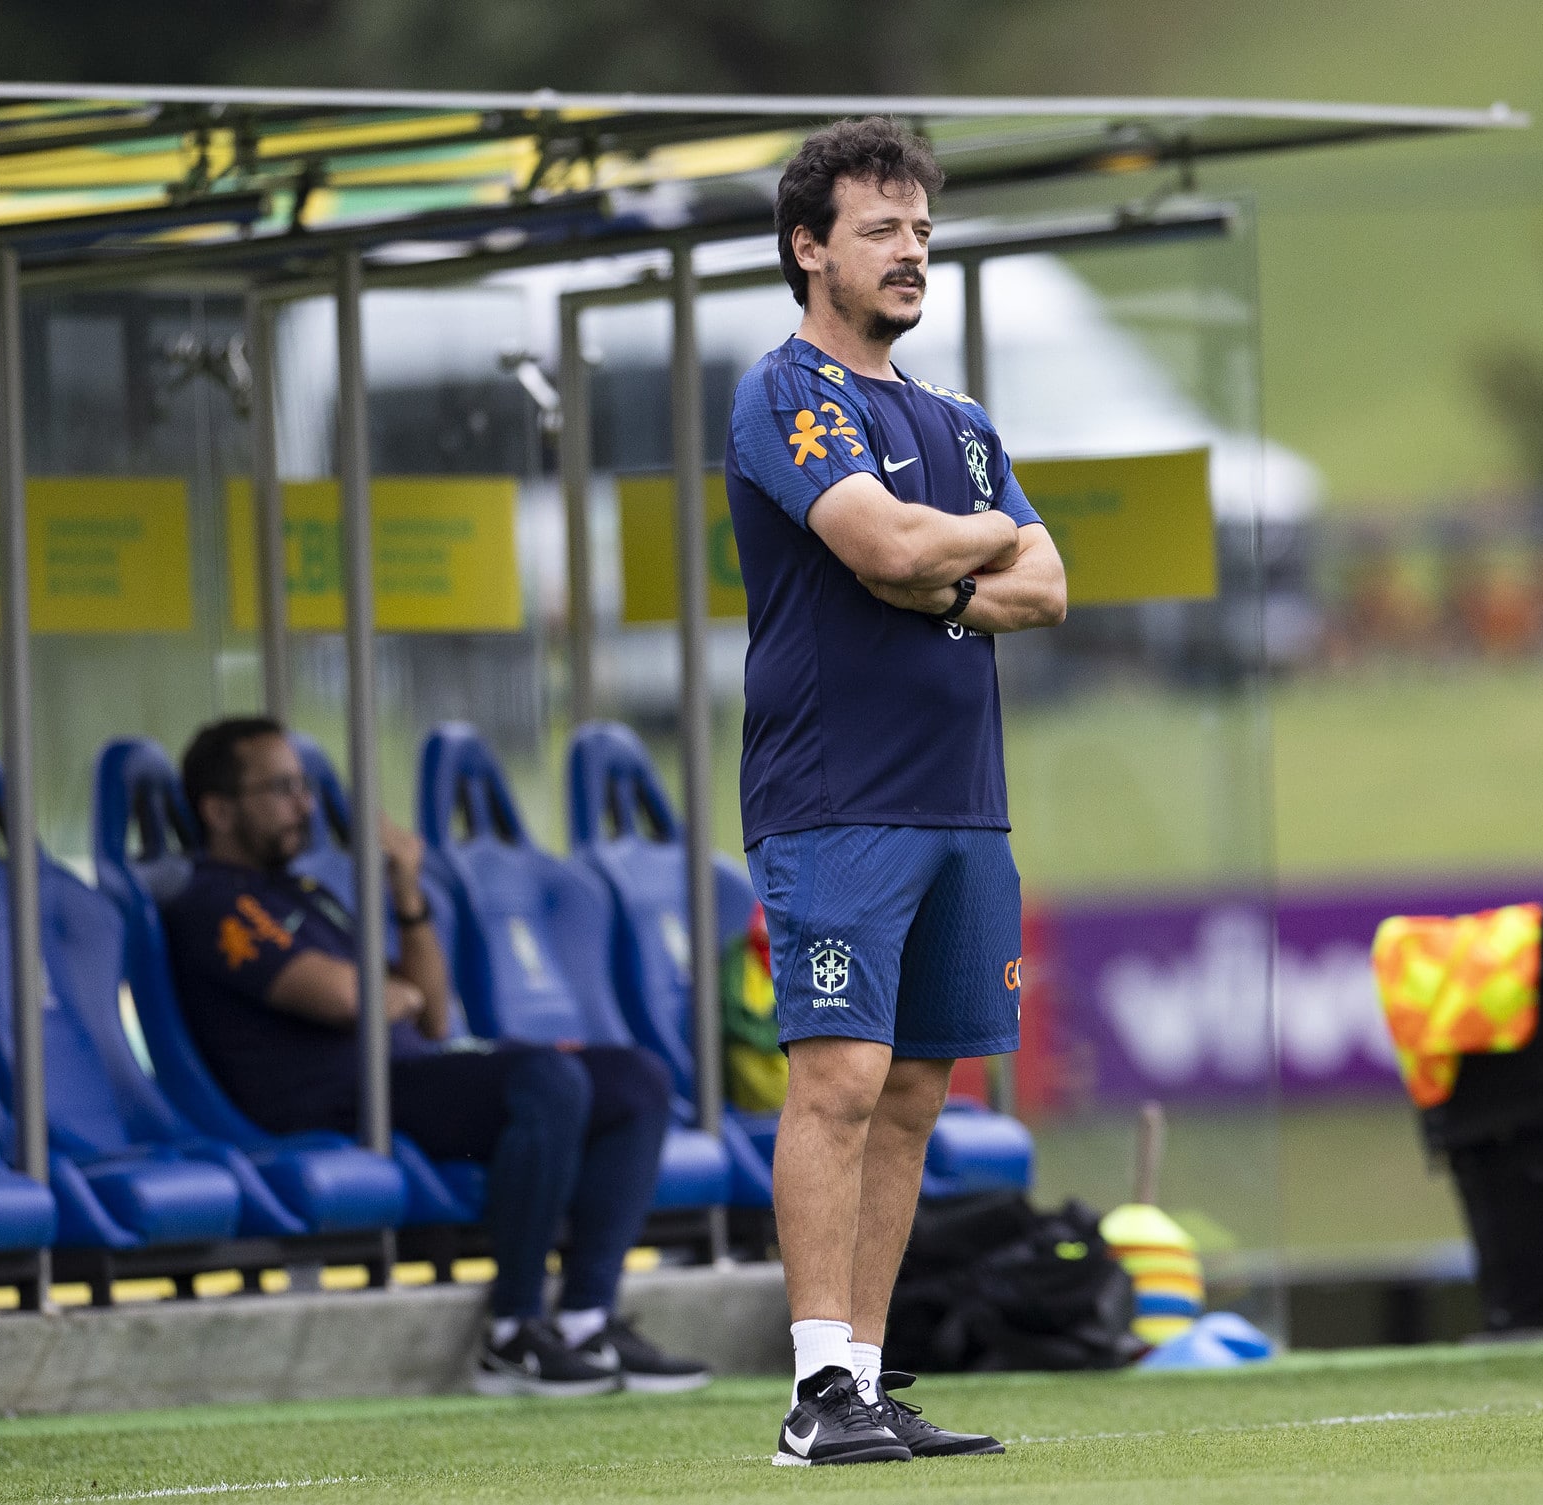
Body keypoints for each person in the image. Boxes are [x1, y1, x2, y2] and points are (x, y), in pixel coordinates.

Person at [726, 117, 1068, 1467]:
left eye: (921, 229)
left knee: (919, 1090)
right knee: (843, 1076)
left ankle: (865, 1379)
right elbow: (875, 543)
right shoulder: (790, 392)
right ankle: (813, 1393)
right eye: (882, 228)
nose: (912, 251)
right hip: (836, 795)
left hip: (961, 804)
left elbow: (1050, 586)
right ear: (811, 249)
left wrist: (947, 556)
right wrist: (969, 542)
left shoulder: (962, 421)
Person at [160, 716, 708, 1398]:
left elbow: (432, 1009)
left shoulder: (303, 893)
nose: (303, 804)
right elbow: (341, 996)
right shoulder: (213, 900)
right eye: (279, 788)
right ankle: (511, 1333)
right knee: (548, 1079)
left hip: (406, 1073)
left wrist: (407, 891)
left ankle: (584, 1319)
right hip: (332, 1094)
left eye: (302, 785)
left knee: (636, 1078)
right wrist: (387, 994)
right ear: (218, 808)